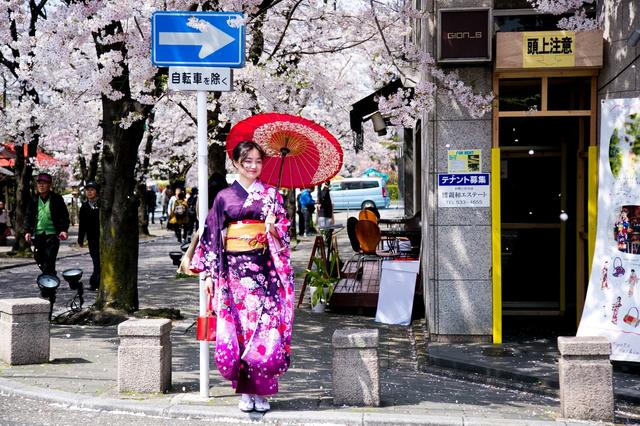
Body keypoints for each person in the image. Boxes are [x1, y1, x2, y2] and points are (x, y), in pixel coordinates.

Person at [190, 140, 294, 413]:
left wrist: (272, 228)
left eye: (258, 161)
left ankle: (262, 392)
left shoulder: (272, 195)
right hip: (234, 276)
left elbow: (285, 235)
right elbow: (212, 235)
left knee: (265, 330)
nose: (253, 166)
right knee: (239, 332)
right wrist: (210, 275)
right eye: (247, 161)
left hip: (265, 274)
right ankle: (245, 392)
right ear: (235, 162)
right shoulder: (224, 197)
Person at [24, 172, 70, 276]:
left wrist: (64, 230)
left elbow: (64, 216)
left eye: (44, 183)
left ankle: (48, 286)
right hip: (38, 234)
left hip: (52, 235)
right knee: (38, 257)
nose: (41, 185)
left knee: (50, 259)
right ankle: (51, 276)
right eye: (39, 183)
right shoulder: (33, 200)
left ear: (50, 185)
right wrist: (27, 231)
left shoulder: (57, 199)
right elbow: (28, 217)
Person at [78, 181, 101, 290]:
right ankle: (96, 281)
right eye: (87, 190)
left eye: (92, 190)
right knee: (96, 260)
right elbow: (82, 224)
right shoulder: (84, 206)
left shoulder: (102, 204)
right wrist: (80, 239)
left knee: (100, 261)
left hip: (103, 237)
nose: (89, 192)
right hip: (92, 238)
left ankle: (96, 281)